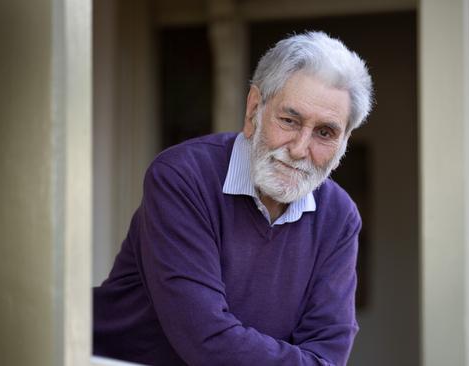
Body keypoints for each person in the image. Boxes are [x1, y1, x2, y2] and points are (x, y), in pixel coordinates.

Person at [93, 31, 373, 366]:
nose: (300, 149)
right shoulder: (182, 178)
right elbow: (205, 339)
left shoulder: (339, 217)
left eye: (325, 133)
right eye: (289, 120)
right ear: (254, 108)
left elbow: (329, 351)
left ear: (344, 142)